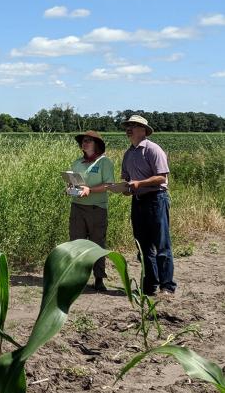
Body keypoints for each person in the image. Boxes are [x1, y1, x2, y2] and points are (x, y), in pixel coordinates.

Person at [121, 114, 176, 296]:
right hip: (138, 202)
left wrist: (139, 183)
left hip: (156, 199)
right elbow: (128, 179)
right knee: (142, 246)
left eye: (134, 125)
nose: (130, 128)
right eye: (128, 125)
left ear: (144, 130)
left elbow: (162, 177)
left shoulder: (153, 149)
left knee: (161, 245)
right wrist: (125, 188)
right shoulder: (128, 154)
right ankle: (149, 286)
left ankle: (167, 286)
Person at [68, 131, 115, 291]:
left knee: (97, 243)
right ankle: (77, 278)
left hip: (97, 209)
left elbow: (109, 185)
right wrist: (69, 189)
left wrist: (90, 190)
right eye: (83, 141)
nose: (85, 143)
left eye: (89, 140)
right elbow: (73, 184)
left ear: (97, 144)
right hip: (77, 207)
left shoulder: (104, 162)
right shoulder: (77, 162)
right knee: (76, 243)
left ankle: (99, 279)